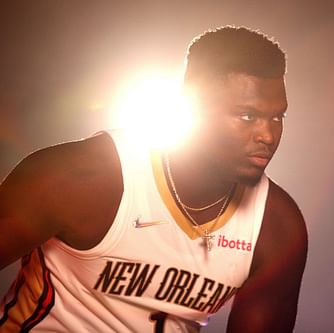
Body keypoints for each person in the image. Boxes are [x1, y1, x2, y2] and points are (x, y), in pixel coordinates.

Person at [0, 26, 308, 333]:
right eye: (247, 117)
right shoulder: (82, 176)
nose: (267, 135)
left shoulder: (275, 227)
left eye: (277, 117)